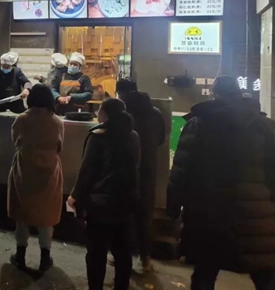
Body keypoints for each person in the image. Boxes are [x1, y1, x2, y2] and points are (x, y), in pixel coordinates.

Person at [167, 76, 275, 290]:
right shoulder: (265, 126)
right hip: (255, 217)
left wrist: (173, 207)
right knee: (264, 277)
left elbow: (181, 171)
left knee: (204, 274)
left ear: (215, 94)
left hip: (209, 215)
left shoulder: (198, 125)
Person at [68, 98, 140, 290]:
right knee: (123, 253)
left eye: (99, 110)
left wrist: (75, 196)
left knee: (96, 254)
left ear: (105, 114)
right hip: (126, 203)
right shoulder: (133, 136)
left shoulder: (98, 136)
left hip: (100, 205)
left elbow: (87, 171)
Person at [8, 84, 64, 272]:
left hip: (24, 168)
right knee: (46, 215)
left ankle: (20, 254)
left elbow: (15, 140)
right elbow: (59, 146)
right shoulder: (56, 121)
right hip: (50, 172)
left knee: (22, 212)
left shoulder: (22, 119)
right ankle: (45, 257)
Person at [116, 78, 165, 273]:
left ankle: (123, 258)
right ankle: (145, 259)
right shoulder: (156, 112)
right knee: (144, 216)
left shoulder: (122, 114)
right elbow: (161, 139)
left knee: (123, 215)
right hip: (148, 170)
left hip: (125, 169)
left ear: (121, 93)